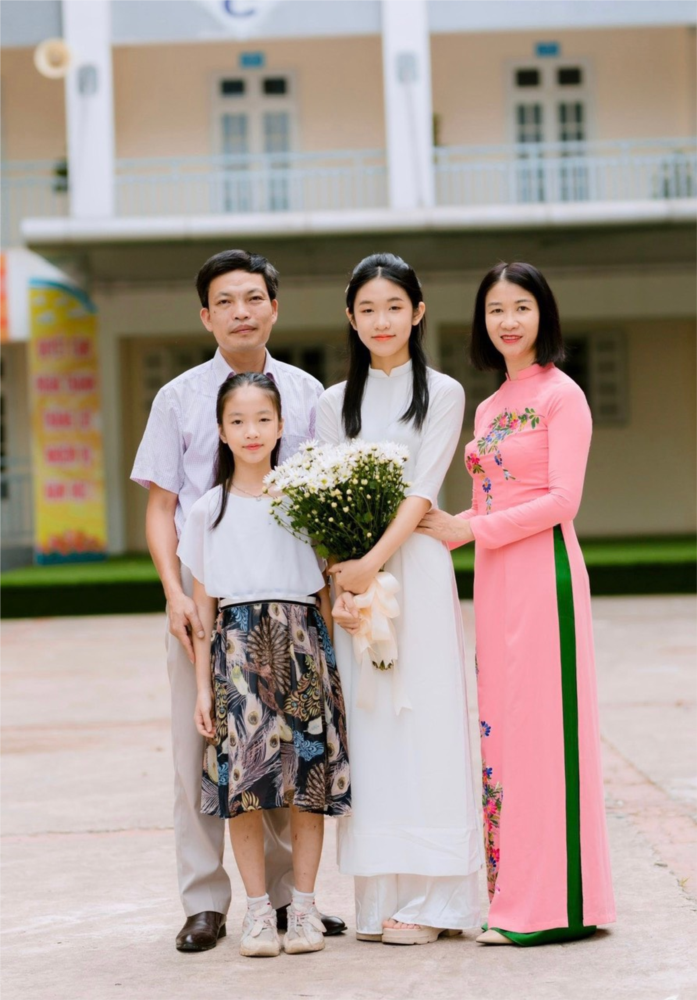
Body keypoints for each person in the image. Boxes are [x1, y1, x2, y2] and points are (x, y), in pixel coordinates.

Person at [131, 249, 346, 951]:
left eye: (253, 298)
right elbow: (162, 506)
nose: (240, 312)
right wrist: (174, 593)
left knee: (287, 751)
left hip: (292, 603)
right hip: (208, 603)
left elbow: (326, 502)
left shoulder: (307, 394)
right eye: (224, 301)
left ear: (274, 308)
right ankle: (204, 901)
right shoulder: (178, 398)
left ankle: (284, 899)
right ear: (205, 315)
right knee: (200, 751)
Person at [418, 261, 616, 945]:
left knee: (543, 732)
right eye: (495, 309)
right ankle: (512, 899)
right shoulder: (491, 406)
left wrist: (470, 530)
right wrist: (437, 529)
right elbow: (483, 502)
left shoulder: (563, 396)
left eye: (521, 307)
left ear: (543, 316)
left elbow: (562, 501)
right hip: (496, 578)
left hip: (543, 575)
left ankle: (557, 907)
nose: (508, 321)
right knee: (500, 732)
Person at [317, 253, 483, 946]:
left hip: (414, 570)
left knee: (426, 719)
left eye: (393, 306)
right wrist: (341, 574)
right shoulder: (333, 403)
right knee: (372, 727)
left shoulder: (442, 392)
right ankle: (379, 897)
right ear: (350, 319)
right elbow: (323, 493)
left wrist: (370, 563)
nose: (380, 320)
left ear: (417, 312)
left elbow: (421, 491)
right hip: (356, 586)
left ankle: (434, 902)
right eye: (367, 309)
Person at [177, 372, 351, 957]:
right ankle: (256, 912)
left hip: (302, 649)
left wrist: (335, 673)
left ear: (281, 427)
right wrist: (203, 689)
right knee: (244, 789)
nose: (251, 431)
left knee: (307, 786)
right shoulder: (207, 511)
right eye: (237, 421)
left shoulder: (306, 501)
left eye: (262, 420)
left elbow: (325, 594)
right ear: (221, 431)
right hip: (235, 653)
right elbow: (203, 610)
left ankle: (302, 908)